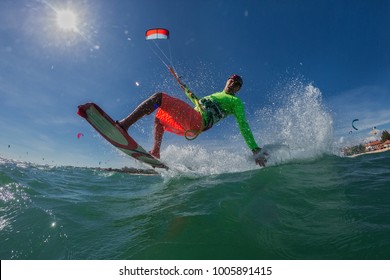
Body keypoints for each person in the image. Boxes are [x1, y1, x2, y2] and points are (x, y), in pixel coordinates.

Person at [117, 74, 267, 166]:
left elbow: (243, 124)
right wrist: (182, 86)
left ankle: (124, 125)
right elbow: (196, 100)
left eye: (237, 84)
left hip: (197, 122)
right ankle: (156, 152)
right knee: (159, 118)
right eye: (232, 81)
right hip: (189, 128)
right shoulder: (216, 95)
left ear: (238, 89)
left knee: (159, 97)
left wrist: (254, 148)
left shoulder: (235, 102)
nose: (233, 84)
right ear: (227, 81)